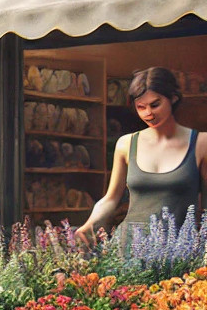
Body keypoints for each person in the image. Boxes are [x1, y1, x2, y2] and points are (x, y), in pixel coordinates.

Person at [80, 66, 207, 238]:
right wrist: (89, 224)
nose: (148, 113)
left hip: (179, 252)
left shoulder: (200, 143)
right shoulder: (126, 144)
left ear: (174, 98)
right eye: (141, 107)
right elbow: (111, 199)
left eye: (155, 105)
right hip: (129, 247)